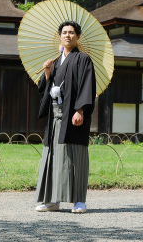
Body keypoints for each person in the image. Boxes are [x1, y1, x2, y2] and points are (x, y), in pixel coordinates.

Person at [34, 21, 96, 214]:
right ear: (59, 37)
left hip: (73, 114)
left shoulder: (83, 59)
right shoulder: (56, 61)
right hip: (55, 115)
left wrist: (81, 110)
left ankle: (79, 200)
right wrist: (47, 72)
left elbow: (87, 86)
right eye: (64, 32)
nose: (67, 35)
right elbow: (43, 88)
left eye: (71, 32)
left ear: (77, 37)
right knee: (53, 157)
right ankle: (53, 200)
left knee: (74, 156)